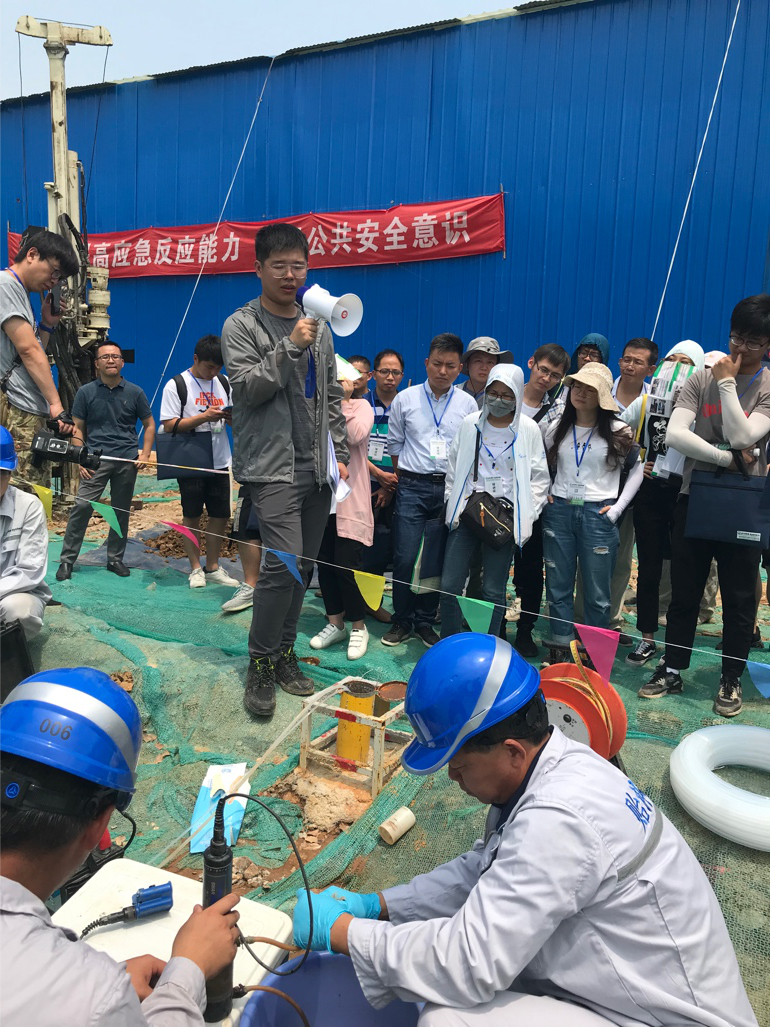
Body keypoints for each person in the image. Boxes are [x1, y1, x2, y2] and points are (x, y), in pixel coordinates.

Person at [291, 634, 756, 1028]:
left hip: (666, 1018)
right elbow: (486, 868)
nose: (453, 776)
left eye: (459, 764)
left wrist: (345, 933)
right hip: (628, 995)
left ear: (512, 751)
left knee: (448, 1018)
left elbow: (467, 964)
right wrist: (380, 905)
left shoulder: (561, 818)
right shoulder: (558, 765)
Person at [0, 666, 242, 1026]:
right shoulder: (95, 997)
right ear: (101, 823)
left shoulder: (88, 990)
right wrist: (188, 969)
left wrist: (89, 981)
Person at [221, 223, 348, 718]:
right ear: (258, 268)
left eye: (299, 266)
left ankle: (285, 652)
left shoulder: (321, 328)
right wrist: (291, 345)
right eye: (279, 266)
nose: (290, 275)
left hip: (317, 467)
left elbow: (331, 395)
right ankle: (260, 662)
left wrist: (339, 453)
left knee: (304, 565)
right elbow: (247, 389)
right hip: (271, 467)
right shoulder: (242, 325)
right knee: (283, 563)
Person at [640, 296, 770, 717]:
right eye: (736, 337)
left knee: (739, 598)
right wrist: (724, 458)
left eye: (753, 341)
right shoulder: (699, 377)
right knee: (684, 591)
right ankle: (672, 667)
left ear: (768, 344)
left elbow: (745, 435)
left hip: (745, 503)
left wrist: (728, 384)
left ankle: (730, 677)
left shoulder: (766, 386)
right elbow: (676, 435)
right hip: (694, 496)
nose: (741, 348)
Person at [382, 334, 478, 648]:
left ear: (460, 368)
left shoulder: (467, 404)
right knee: (405, 556)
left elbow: (469, 449)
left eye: (450, 365)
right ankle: (402, 619)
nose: (442, 371)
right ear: (426, 363)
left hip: (449, 489)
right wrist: (408, 477)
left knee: (436, 559)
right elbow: (395, 445)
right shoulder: (406, 399)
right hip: (412, 486)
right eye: (437, 364)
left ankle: (424, 620)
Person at [542, 363, 642, 662]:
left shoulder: (619, 430)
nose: (581, 393)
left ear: (603, 396)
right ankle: (561, 651)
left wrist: (618, 508)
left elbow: (637, 471)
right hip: (559, 510)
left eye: (590, 389)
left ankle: (596, 657)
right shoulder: (557, 427)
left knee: (598, 592)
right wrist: (545, 490)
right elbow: (539, 462)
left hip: (598, 514)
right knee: (557, 586)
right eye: (577, 386)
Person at [440, 366, 549, 638]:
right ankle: (448, 641)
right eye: (494, 393)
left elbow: (539, 478)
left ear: (517, 396)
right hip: (469, 511)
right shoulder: (470, 424)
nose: (499, 400)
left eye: (507, 395)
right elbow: (453, 466)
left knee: (493, 588)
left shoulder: (528, 429)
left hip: (504, 518)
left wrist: (527, 514)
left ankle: (490, 645)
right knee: (450, 584)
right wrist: (453, 500)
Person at [618, 341, 705, 666]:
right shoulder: (646, 402)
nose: (677, 366)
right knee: (649, 569)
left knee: (684, 572)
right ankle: (648, 638)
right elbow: (615, 431)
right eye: (672, 359)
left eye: (686, 362)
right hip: (652, 491)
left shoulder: (702, 407)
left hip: (686, 494)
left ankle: (677, 646)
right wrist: (637, 460)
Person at [575, 337, 659, 645]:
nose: (630, 366)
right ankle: (580, 621)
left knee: (621, 560)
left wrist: (646, 465)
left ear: (651, 368)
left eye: (638, 361)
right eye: (626, 359)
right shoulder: (600, 391)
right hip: (593, 491)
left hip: (633, 494)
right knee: (588, 559)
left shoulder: (655, 402)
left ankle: (610, 622)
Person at [56, 340, 155, 581]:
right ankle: (67, 560)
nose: (111, 360)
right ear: (97, 364)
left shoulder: (135, 392)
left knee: (120, 511)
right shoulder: (86, 392)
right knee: (82, 507)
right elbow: (78, 426)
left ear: (122, 362)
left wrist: (145, 454)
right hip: (95, 460)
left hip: (127, 460)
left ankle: (115, 559)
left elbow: (150, 424)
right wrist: (81, 458)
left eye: (115, 356)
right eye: (105, 357)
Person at [0, 230, 79, 490]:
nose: (53, 281)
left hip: (26, 409)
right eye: (54, 272)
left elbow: (30, 354)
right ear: (32, 254)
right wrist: (56, 405)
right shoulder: (5, 285)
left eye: (59, 278)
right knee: (23, 492)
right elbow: (28, 351)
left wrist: (46, 324)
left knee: (33, 494)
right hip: (17, 410)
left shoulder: (19, 292)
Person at [159, 335, 239, 592]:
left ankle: (212, 567)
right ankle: (195, 568)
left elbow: (233, 421)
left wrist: (230, 417)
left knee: (220, 515)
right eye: (209, 367)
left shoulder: (224, 383)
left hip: (220, 459)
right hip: (191, 461)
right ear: (195, 359)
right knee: (192, 515)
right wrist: (204, 417)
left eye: (218, 368)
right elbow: (169, 424)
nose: (213, 373)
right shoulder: (177, 385)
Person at [310, 367, 374, 660]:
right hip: (322, 499)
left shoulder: (361, 407)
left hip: (349, 499)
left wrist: (343, 401)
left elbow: (356, 435)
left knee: (347, 566)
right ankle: (335, 622)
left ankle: (359, 626)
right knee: (324, 564)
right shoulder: (318, 406)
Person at [514, 344, 571, 657]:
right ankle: (492, 627)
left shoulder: (559, 410)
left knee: (531, 568)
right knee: (491, 566)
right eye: (543, 369)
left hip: (535, 498)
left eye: (555, 375)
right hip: (495, 494)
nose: (546, 378)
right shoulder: (505, 395)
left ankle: (525, 629)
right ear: (531, 363)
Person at [0, 427, 50, 640]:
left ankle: (9, 651)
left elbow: (29, 570)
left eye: (0, 474)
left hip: (15, 593)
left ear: (10, 474)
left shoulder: (28, 507)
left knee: (19, 611)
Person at [223, 485, 263, 614]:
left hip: (289, 483)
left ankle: (284, 587)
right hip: (251, 480)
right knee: (244, 524)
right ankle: (251, 587)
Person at [459, 336, 514, 407]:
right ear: (467, 365)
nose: (484, 367)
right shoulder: (453, 394)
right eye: (478, 361)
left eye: (490, 362)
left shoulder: (502, 400)